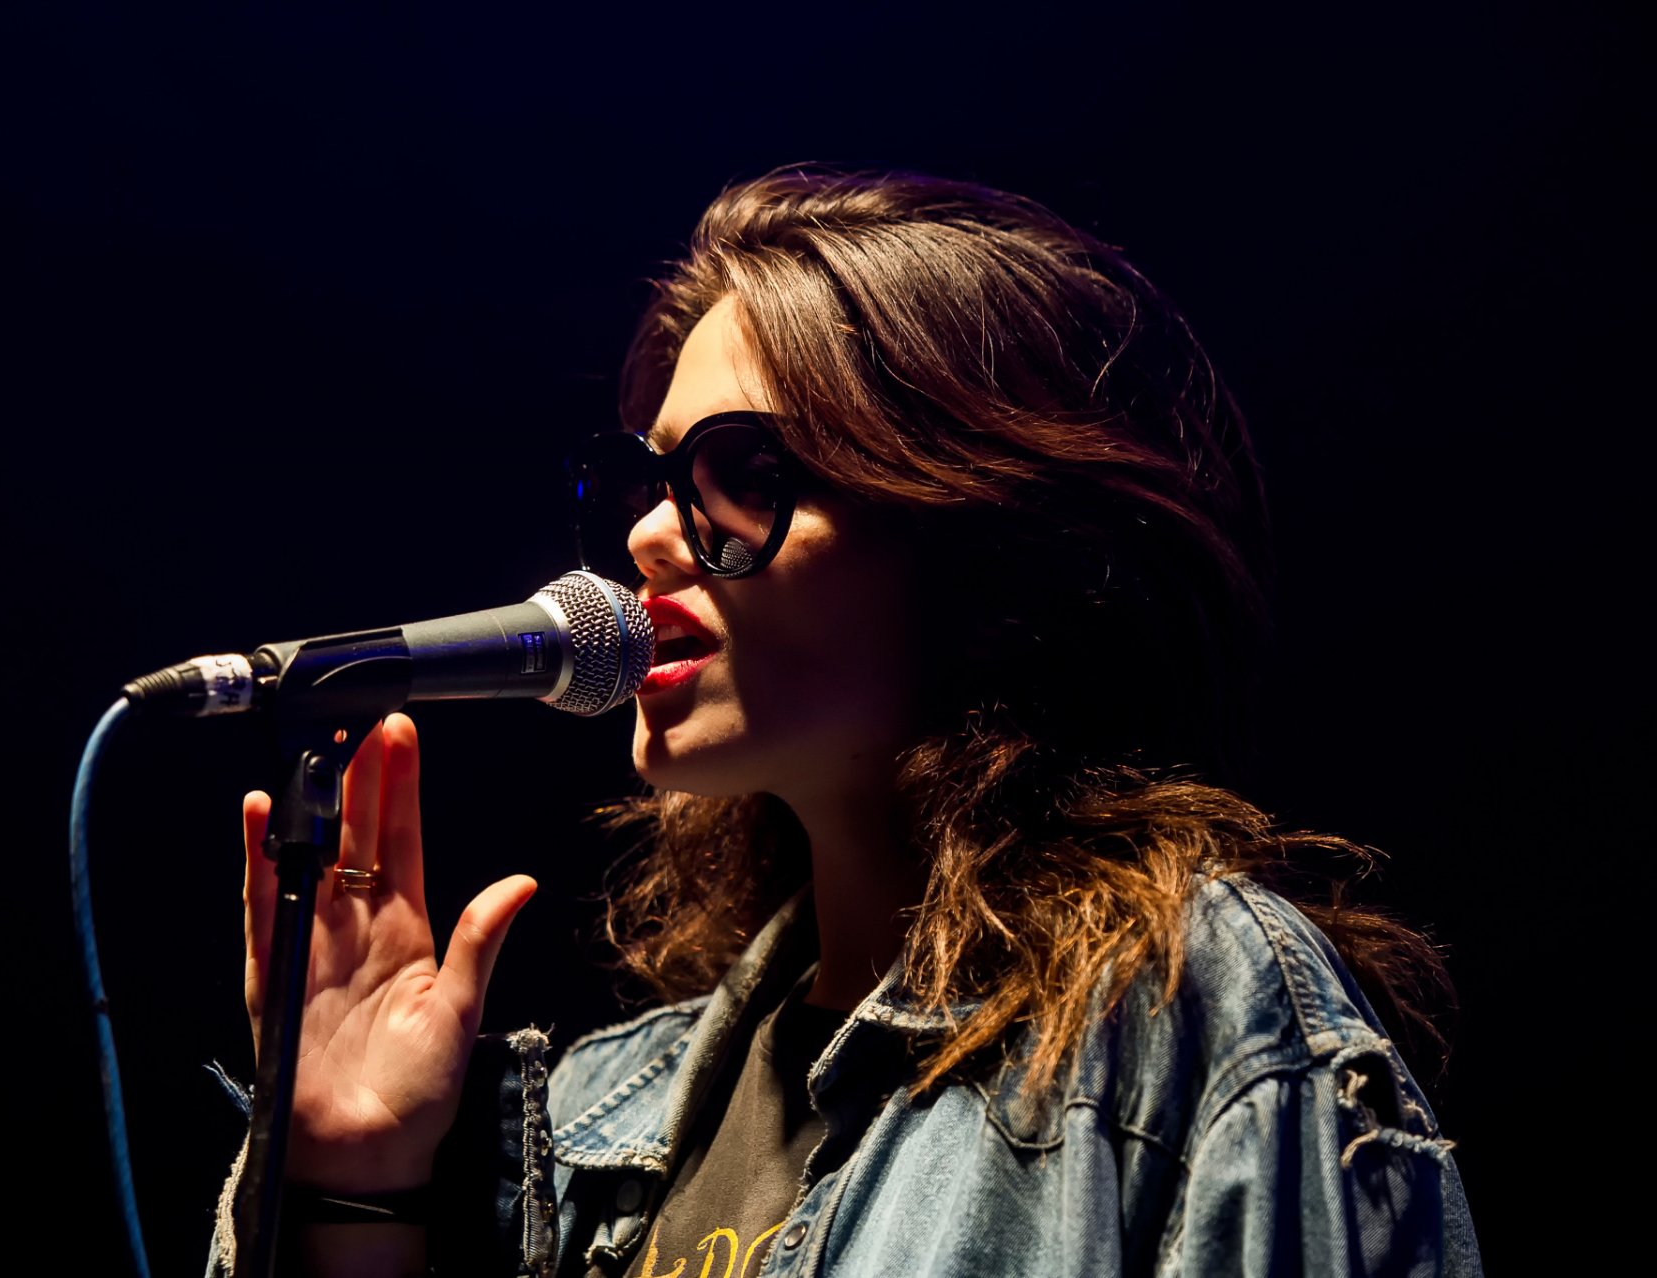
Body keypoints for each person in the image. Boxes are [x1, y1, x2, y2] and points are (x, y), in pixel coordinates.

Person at [207, 167, 1482, 1277]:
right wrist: (351, 1183)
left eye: (743, 477)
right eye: (651, 481)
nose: (651, 537)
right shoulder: (599, 1115)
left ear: (977, 534)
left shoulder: (1185, 1017)